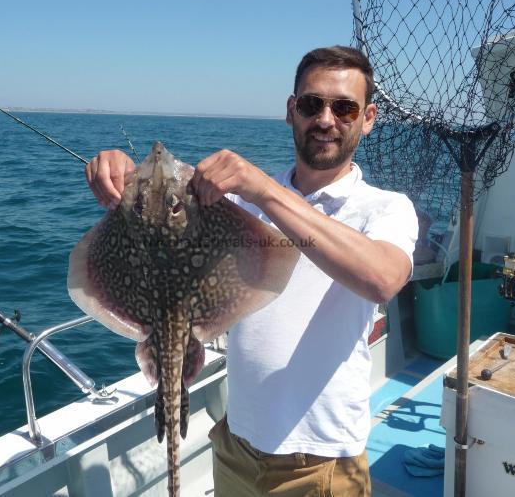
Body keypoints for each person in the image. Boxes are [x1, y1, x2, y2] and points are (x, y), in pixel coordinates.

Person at [86, 45, 418, 497]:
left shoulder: (385, 209)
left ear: (369, 117)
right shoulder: (239, 203)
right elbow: (165, 223)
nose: (325, 119)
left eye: (344, 107)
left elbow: (381, 279)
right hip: (235, 445)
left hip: (320, 463)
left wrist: (263, 189)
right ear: (291, 110)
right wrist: (122, 177)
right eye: (310, 104)